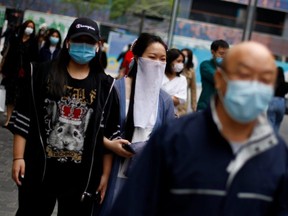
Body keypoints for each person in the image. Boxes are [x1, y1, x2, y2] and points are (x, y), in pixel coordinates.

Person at [109, 41, 288, 216]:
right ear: (219, 79)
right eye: (244, 75)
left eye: (265, 80)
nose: (254, 87)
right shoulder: (174, 139)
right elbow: (134, 205)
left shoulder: (276, 151)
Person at [9, 17, 120, 216]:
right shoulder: (41, 73)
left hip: (82, 178)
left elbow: (109, 133)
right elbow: (24, 118)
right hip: (40, 170)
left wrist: (105, 175)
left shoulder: (106, 86)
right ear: (68, 42)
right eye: (79, 40)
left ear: (98, 46)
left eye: (89, 42)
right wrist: (18, 157)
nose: (83, 46)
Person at [99, 33, 175, 216]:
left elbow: (170, 140)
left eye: (162, 59)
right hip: (110, 173)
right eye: (152, 57)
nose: (157, 63)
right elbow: (93, 129)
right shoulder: (114, 89)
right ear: (138, 57)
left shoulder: (164, 100)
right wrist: (110, 145)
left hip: (143, 177)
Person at [1, 19, 38, 127]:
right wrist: (4, 70)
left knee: (20, 98)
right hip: (12, 72)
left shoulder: (34, 43)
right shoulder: (15, 40)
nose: (29, 29)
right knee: (10, 97)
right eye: (28, 26)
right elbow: (8, 56)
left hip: (25, 74)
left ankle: (16, 119)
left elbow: (35, 59)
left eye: (32, 27)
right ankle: (8, 119)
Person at [197, 39, 229, 111]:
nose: (224, 56)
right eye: (221, 53)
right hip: (205, 107)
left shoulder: (228, 68)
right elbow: (217, 77)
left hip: (221, 109)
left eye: (226, 54)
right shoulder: (205, 65)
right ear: (213, 52)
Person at [162, 48, 187, 117]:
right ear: (169, 61)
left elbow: (179, 101)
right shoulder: (160, 75)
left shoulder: (182, 79)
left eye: (182, 62)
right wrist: (171, 97)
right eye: (178, 61)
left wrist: (162, 96)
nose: (181, 64)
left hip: (171, 114)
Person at [267, 66, 288, 132]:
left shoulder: (272, 83)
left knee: (271, 122)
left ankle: (269, 138)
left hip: (272, 101)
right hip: (282, 103)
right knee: (277, 123)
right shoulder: (286, 84)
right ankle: (275, 138)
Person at [180, 48, 197, 114]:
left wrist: (194, 105)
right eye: (183, 55)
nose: (184, 58)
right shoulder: (173, 67)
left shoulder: (191, 71)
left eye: (186, 56)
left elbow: (193, 89)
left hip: (182, 104)